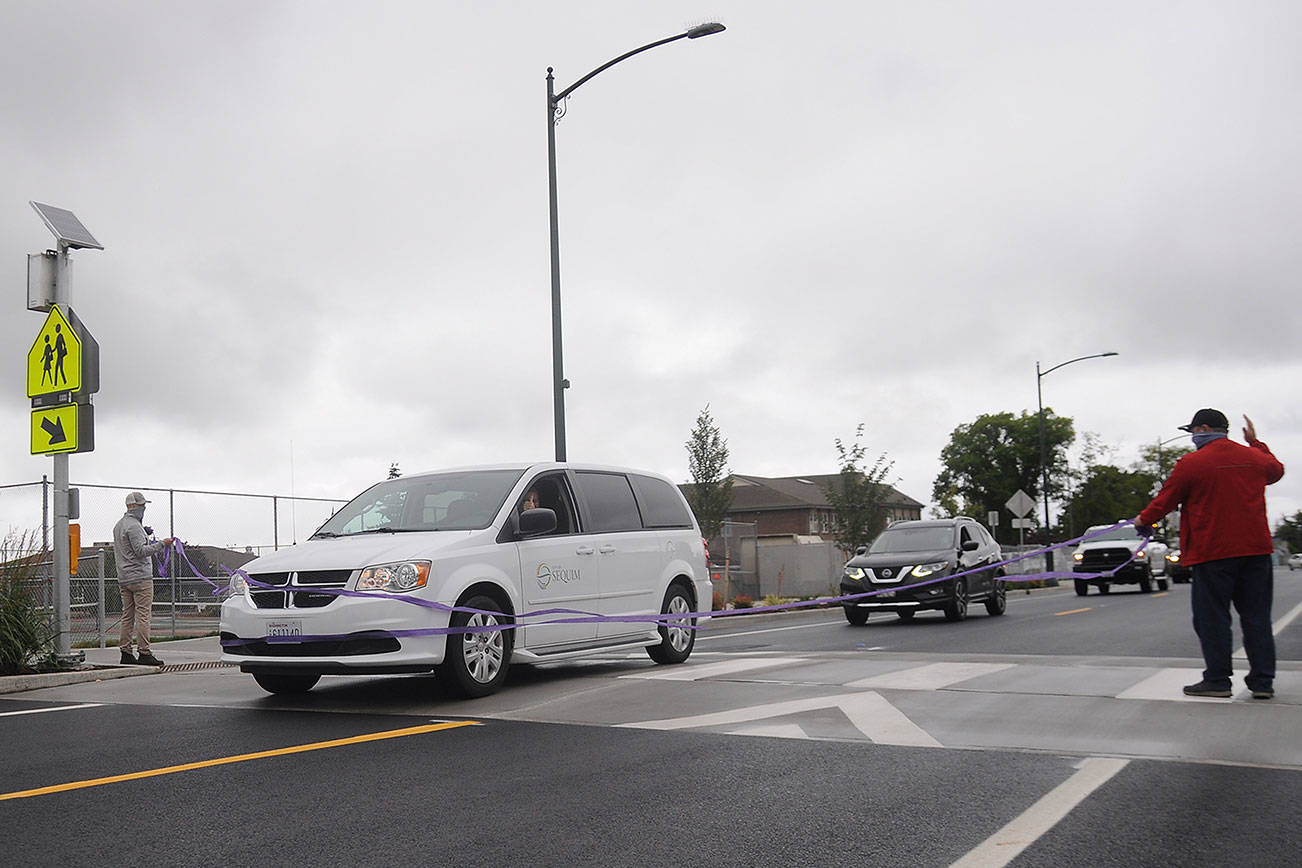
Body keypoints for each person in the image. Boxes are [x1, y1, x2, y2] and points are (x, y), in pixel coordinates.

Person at [1133, 409, 1284, 699]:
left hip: (1212, 551)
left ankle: (1218, 680)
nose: (1192, 437)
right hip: (1256, 551)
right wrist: (1256, 443)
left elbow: (1167, 499)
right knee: (1256, 618)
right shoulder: (1255, 459)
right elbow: (1276, 471)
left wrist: (1143, 521)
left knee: (1211, 618)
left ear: (1203, 428)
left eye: (1193, 431)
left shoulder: (1192, 463)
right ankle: (1263, 682)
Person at [112, 491, 175, 666]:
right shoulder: (133, 526)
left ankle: (125, 651)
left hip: (124, 578)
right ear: (135, 506)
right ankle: (144, 652)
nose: (144, 508)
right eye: (142, 505)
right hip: (141, 577)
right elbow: (140, 551)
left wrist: (145, 536)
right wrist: (162, 544)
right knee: (143, 616)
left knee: (127, 615)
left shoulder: (119, 526)